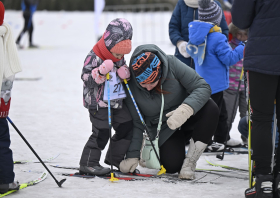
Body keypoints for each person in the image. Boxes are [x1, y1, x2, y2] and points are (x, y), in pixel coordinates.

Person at [119, 44, 219, 180]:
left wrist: (185, 110)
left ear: (159, 74)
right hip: (163, 128)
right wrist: (132, 155)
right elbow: (137, 122)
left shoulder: (171, 64)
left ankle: (190, 163)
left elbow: (202, 87)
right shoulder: (130, 85)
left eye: (152, 83)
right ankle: (154, 148)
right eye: (143, 84)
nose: (148, 88)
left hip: (186, 116)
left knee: (210, 108)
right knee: (172, 166)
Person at [232, 0, 280, 197]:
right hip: (263, 56)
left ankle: (264, 180)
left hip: (262, 57)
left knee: (260, 118)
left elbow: (240, 19)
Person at [186, 0, 244, 152]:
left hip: (202, 83)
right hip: (216, 84)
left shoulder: (198, 36)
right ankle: (213, 140)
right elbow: (229, 59)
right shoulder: (217, 38)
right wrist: (242, 48)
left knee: (210, 113)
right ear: (216, 19)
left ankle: (215, 139)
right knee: (217, 115)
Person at [79, 18, 133, 176]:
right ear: (109, 45)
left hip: (115, 100)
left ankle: (114, 159)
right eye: (117, 53)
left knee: (126, 125)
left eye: (122, 54)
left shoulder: (118, 55)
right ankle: (88, 163)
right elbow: (85, 77)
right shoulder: (94, 55)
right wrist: (100, 72)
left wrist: (125, 73)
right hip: (97, 102)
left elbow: (121, 69)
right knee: (102, 131)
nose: (119, 57)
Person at [0, 1, 22, 194]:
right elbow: (8, 76)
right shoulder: (3, 37)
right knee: (1, 141)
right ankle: (5, 180)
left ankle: (6, 180)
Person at [169, 0, 229, 69]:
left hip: (207, 63)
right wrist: (179, 43)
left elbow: (223, 31)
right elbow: (173, 27)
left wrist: (214, 48)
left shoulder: (214, 4)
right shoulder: (181, 3)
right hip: (182, 59)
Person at [223, 23, 248, 143]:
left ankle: (247, 138)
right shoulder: (229, 46)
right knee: (229, 114)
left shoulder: (250, 46)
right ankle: (223, 137)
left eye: (245, 34)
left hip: (246, 87)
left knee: (246, 114)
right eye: (239, 34)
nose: (242, 37)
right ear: (234, 32)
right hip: (231, 86)